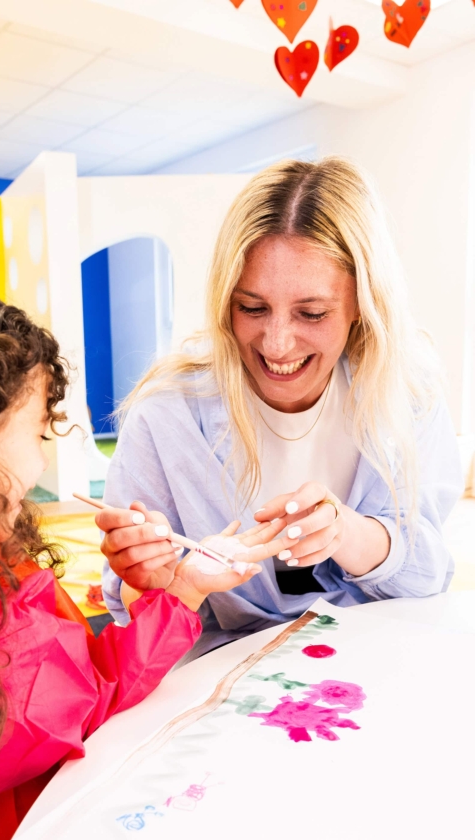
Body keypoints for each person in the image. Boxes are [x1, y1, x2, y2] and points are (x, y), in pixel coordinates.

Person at [0, 274, 287, 840]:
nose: (42, 464)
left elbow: (83, 684)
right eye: (39, 430)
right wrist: (178, 594)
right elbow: (83, 704)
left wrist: (180, 590)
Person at [100, 157, 463, 658]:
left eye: (311, 313)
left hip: (375, 658)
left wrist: (346, 532)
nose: (276, 344)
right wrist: (155, 582)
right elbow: (133, 621)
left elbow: (428, 575)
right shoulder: (168, 416)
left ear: (363, 302)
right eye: (251, 307)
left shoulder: (409, 394)